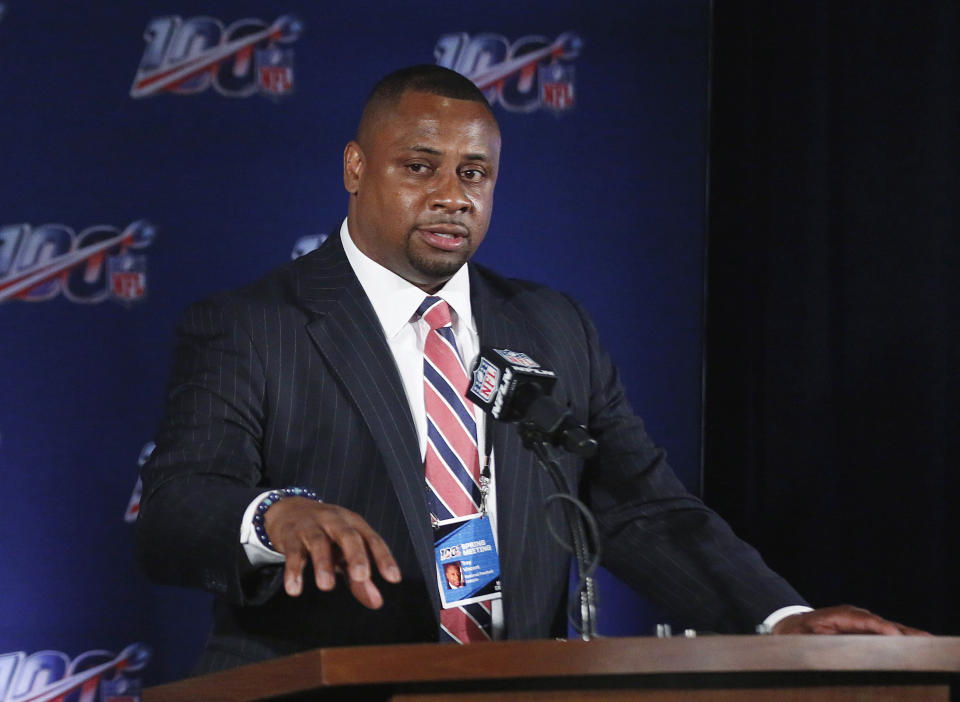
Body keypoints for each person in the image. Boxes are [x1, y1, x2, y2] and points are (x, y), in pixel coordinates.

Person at [137, 65, 925, 674]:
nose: (451, 195)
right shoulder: (255, 324)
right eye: (420, 166)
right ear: (355, 167)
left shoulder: (552, 326)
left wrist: (782, 620)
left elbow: (640, 506)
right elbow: (176, 506)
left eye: (473, 174)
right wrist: (275, 514)